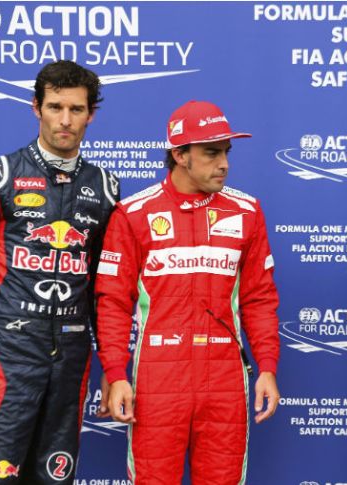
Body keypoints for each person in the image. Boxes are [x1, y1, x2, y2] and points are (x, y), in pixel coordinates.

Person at [0, 60, 120, 485]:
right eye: (55, 107)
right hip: (9, 353)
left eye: (76, 109)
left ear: (91, 114)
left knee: (56, 477)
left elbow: (109, 289)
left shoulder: (106, 186)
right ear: (36, 108)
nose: (65, 120)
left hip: (72, 358)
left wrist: (114, 368)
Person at [94, 100, 281, 484]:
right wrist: (115, 374)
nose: (224, 163)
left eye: (227, 151)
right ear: (179, 154)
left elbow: (259, 298)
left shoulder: (247, 211)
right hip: (157, 379)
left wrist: (268, 368)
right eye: (211, 152)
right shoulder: (133, 214)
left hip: (225, 378)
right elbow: (112, 302)